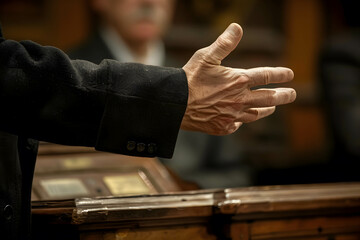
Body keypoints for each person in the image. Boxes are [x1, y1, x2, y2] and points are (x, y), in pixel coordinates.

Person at [0, 22, 296, 239]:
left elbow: (234, 170)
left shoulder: (209, 77)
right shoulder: (69, 62)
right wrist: (173, 98)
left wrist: (180, 189)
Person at [69, 0, 248, 188]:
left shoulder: (201, 78)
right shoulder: (68, 77)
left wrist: (182, 189)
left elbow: (236, 173)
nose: (149, 3)